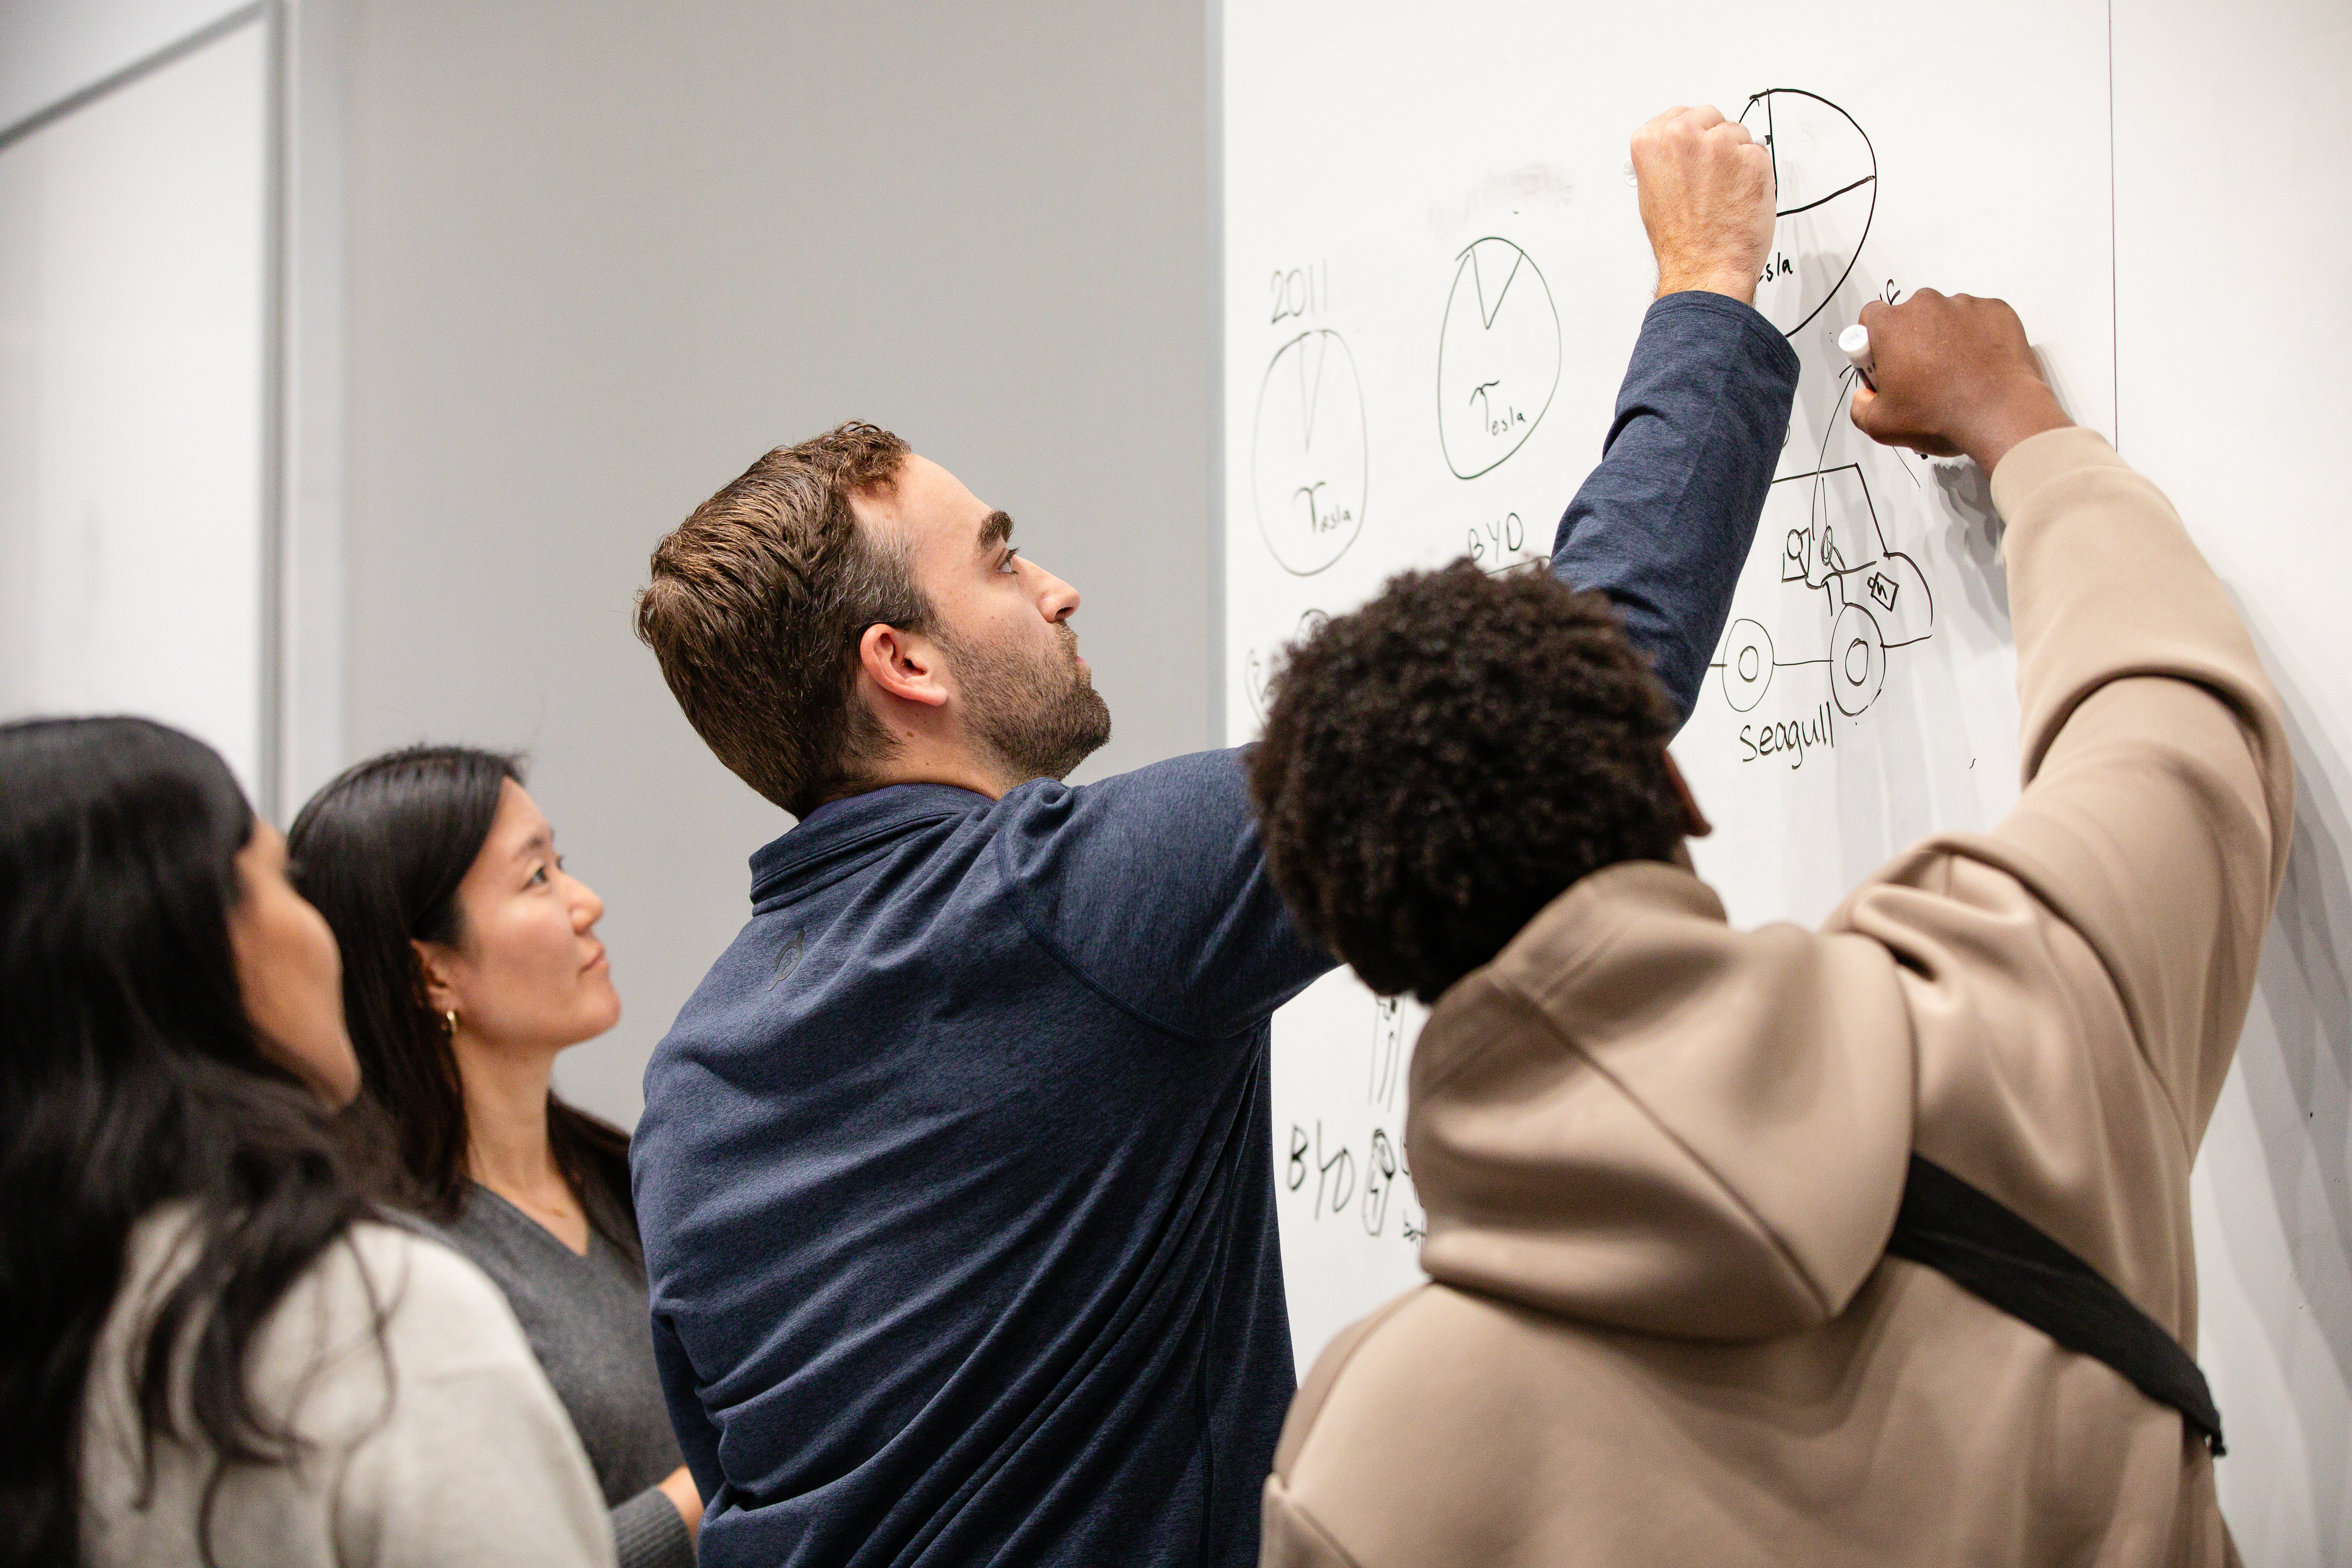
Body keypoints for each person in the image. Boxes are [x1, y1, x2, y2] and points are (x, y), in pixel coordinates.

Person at [626, 104, 1794, 1567]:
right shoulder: (1068, 902)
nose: (1055, 586)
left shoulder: (685, 1089)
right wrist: (1705, 284)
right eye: (998, 558)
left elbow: (737, 1487)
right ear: (904, 666)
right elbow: (1578, 686)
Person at [1244, 288, 2288, 1567]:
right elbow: (2174, 719)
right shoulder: (2014, 1010)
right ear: (1676, 786)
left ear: (1370, 950)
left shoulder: (1371, 1466)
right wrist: (2016, 421)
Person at [0, 716, 615, 1568]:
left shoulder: (64, 1313)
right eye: (282, 880)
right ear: (204, 958)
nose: (324, 931)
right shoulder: (365, 1312)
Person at [288, 747, 701, 1568]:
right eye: (536, 878)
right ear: (432, 971)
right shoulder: (392, 1261)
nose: (587, 902)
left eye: (562, 864)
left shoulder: (629, 1175)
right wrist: (705, 1490)